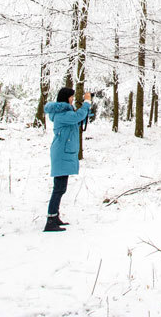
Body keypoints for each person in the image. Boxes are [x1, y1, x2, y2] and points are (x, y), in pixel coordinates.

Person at [43, 87, 92, 232]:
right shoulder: (62, 115)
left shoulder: (65, 113)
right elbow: (77, 117)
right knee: (58, 188)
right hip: (61, 154)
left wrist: (86, 110)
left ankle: (54, 216)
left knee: (61, 187)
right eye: (71, 97)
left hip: (63, 153)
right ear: (66, 98)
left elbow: (77, 119)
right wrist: (87, 102)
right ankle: (50, 220)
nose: (72, 99)